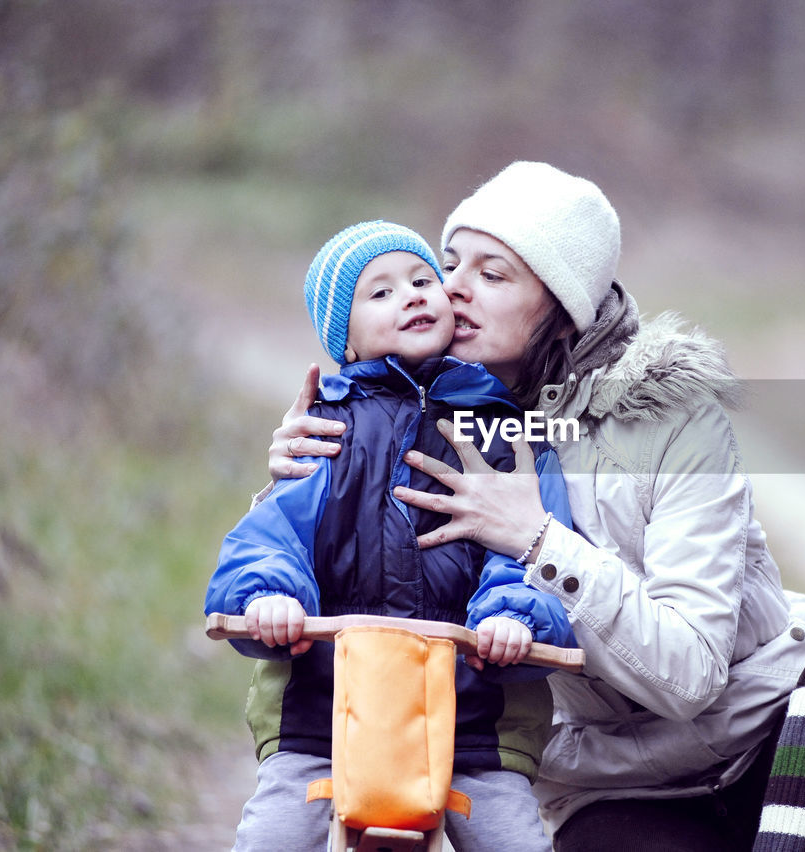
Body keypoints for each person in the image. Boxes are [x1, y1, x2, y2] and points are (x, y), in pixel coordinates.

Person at [267, 163, 805, 851]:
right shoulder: (429, 428)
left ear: (561, 304)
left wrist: (538, 541)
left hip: (775, 741)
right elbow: (353, 574)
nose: (453, 288)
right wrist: (301, 475)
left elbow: (692, 673)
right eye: (449, 262)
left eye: (493, 274)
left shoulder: (674, 419)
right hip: (618, 790)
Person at [206, 220, 576, 852]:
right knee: (272, 834)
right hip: (324, 713)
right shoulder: (323, 433)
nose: (410, 295)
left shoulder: (504, 429)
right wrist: (268, 595)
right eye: (379, 293)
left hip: (472, 719)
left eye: (421, 279)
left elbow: (536, 542)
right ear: (342, 340)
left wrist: (512, 614)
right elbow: (271, 535)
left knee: (511, 835)